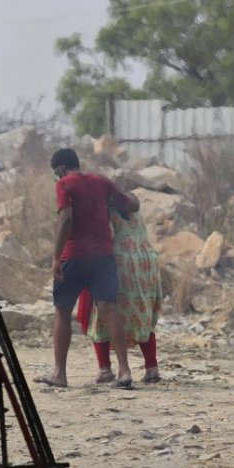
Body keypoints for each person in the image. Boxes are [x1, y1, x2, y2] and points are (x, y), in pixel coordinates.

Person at [35, 148, 140, 388]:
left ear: (60, 170)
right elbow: (129, 205)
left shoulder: (64, 185)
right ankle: (124, 371)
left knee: (62, 311)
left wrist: (56, 257)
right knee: (109, 310)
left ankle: (59, 374)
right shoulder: (101, 182)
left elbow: (66, 219)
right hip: (103, 256)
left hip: (73, 257)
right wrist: (135, 198)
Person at [76, 207, 162, 384]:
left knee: (100, 315)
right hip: (145, 259)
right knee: (142, 314)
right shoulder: (131, 202)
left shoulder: (105, 205)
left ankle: (105, 368)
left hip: (118, 261)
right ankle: (151, 367)